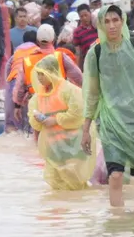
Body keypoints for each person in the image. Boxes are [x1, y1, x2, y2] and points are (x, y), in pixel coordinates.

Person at [82, 5, 134, 208]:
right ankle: (117, 227)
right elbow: (92, 92)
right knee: (115, 176)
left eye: (115, 20)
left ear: (123, 21)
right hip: (111, 123)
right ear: (100, 25)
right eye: (106, 21)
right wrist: (86, 128)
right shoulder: (96, 53)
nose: (111, 26)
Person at [27, 56, 96, 191]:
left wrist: (56, 119)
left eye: (43, 74)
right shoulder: (38, 96)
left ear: (52, 72)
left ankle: (77, 208)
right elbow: (34, 122)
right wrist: (37, 119)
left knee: (74, 180)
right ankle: (60, 209)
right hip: (53, 145)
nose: (40, 78)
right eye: (38, 74)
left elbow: (79, 114)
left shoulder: (70, 90)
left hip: (73, 144)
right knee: (56, 180)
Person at [13, 24, 84, 114]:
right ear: (54, 40)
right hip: (59, 103)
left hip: (36, 105)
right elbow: (78, 77)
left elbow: (20, 86)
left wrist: (17, 105)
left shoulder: (27, 60)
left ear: (37, 41)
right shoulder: (60, 57)